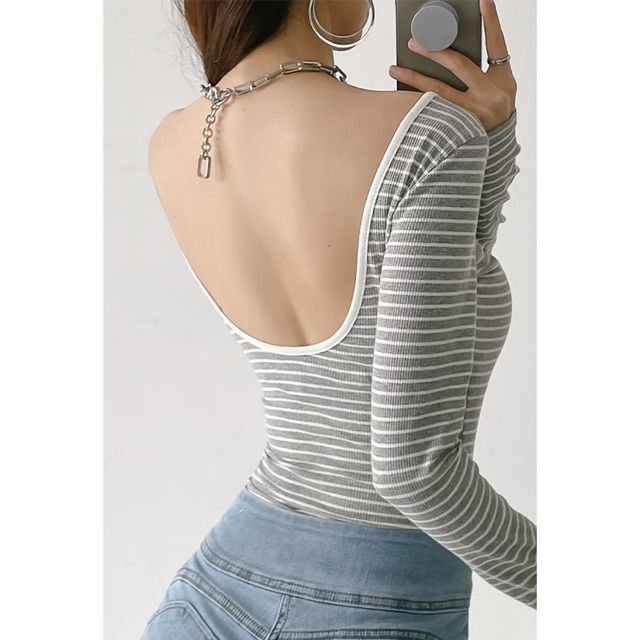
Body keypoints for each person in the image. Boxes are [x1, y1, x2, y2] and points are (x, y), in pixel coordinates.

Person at [141, 0, 535, 638]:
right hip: (378, 600)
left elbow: (457, 278)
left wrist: (487, 141)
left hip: (211, 593)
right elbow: (414, 474)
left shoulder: (172, 141)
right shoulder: (422, 135)